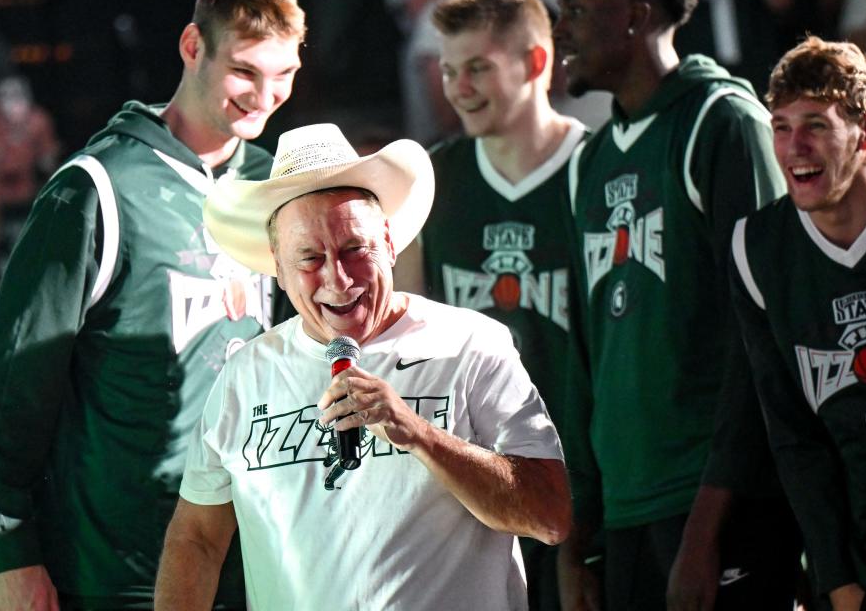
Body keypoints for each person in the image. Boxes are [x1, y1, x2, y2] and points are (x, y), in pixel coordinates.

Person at [0, 0, 304, 608]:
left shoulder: (271, 185)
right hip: (120, 569)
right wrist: (12, 552)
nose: (265, 94)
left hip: (252, 555)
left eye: (283, 73)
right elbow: (12, 381)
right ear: (191, 46)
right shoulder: (95, 187)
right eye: (246, 70)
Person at [154, 122, 572, 610]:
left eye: (356, 249)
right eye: (309, 258)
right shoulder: (245, 374)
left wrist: (416, 431)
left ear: (389, 244)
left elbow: (549, 514)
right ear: (278, 269)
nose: (338, 277)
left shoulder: (471, 344)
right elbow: (197, 541)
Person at [553, 0, 801, 609]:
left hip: (719, 506)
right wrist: (578, 530)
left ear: (636, 17)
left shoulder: (723, 121)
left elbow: (763, 340)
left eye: (577, 10)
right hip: (627, 507)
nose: (560, 30)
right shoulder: (590, 158)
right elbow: (587, 356)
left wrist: (704, 532)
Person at [392, 0, 588, 609]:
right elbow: (404, 350)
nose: (459, 88)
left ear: (536, 62)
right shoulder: (431, 180)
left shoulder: (599, 169)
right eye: (450, 70)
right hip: (474, 485)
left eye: (478, 67)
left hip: (589, 477)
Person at [731, 35, 866, 611]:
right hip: (860, 563)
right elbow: (793, 434)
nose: (793, 146)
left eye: (815, 125)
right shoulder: (757, 247)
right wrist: (837, 577)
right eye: (780, 126)